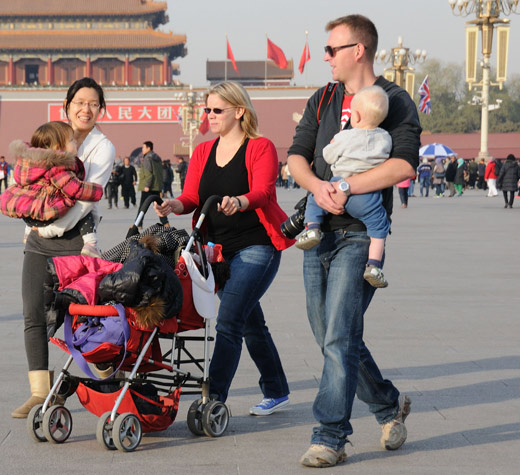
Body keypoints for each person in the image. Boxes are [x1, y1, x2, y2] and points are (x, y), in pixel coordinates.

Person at [287, 14, 419, 468]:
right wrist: (319, 188)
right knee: (329, 335)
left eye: (332, 49)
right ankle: (387, 403)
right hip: (317, 231)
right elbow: (297, 159)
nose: (325, 57)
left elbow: (403, 166)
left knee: (338, 335)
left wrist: (346, 187)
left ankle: (329, 435)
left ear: (357, 50)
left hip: (361, 235)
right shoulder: (322, 99)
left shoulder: (395, 100)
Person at [154, 81, 292, 416]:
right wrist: (173, 204)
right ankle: (276, 389)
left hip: (256, 247)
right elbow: (193, 198)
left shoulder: (261, 147)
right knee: (249, 322)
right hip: (213, 252)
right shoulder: (202, 150)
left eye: (217, 110)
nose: (210, 116)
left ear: (239, 111)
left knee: (229, 320)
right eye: (207, 110)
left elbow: (263, 191)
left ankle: (212, 399)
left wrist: (240, 201)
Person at [11, 77, 115, 419]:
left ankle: (100, 371)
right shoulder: (50, 136)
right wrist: (33, 226)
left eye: (94, 103)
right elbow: (30, 185)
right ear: (67, 106)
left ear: (101, 109)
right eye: (79, 102)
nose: (86, 109)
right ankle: (40, 393)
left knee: (81, 315)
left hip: (74, 240)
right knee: (33, 313)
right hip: (39, 241)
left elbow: (87, 199)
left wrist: (52, 226)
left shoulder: (103, 147)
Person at [295, 86, 392, 289]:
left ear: (354, 116)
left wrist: (332, 143)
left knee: (315, 197)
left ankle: (312, 228)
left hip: (337, 185)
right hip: (368, 196)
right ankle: (374, 265)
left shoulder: (345, 136)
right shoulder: (385, 138)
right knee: (378, 228)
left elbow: (328, 156)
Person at [0, 121, 104, 258]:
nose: (75, 142)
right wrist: (97, 190)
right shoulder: (56, 166)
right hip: (49, 214)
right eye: (71, 140)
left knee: (33, 199)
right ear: (57, 148)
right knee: (84, 209)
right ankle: (91, 244)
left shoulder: (28, 163)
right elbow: (75, 189)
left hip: (30, 218)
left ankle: (27, 231)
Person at [138, 141, 167, 224]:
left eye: (143, 147)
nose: (142, 149)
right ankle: (165, 222)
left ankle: (138, 224)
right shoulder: (157, 158)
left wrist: (147, 185)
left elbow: (148, 173)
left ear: (148, 148)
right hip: (156, 186)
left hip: (149, 186)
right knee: (159, 206)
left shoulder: (147, 158)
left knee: (142, 206)